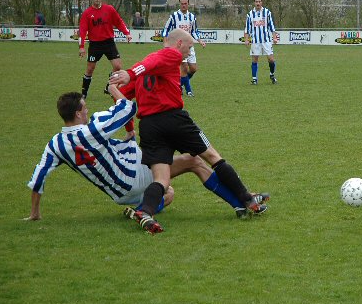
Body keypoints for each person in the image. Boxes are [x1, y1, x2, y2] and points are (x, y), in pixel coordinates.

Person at [109, 28, 267, 234]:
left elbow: (122, 99)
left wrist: (116, 91)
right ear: (179, 44)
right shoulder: (171, 54)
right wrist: (130, 74)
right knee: (213, 157)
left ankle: (146, 211)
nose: (189, 52)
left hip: (149, 126)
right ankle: (247, 199)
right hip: (174, 119)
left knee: (162, 180)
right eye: (189, 47)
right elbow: (146, 66)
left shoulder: (147, 66)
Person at [26, 88, 266, 223]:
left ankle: (140, 208)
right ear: (78, 114)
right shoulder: (92, 129)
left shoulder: (55, 144)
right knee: (194, 160)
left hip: (120, 194)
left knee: (169, 194)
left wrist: (35, 213)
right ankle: (241, 204)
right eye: (85, 107)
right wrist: (114, 90)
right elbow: (128, 108)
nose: (88, 109)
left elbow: (38, 179)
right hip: (135, 175)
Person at [78, 0, 132, 99]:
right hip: (95, 45)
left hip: (109, 43)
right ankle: (84, 93)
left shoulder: (109, 9)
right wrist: (81, 46)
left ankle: (109, 86)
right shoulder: (87, 13)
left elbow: (119, 22)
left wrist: (127, 33)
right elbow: (83, 31)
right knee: (90, 69)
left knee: (117, 66)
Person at [162, 0, 205, 97]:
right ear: (179, 4)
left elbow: (194, 31)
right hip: (179, 47)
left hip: (190, 46)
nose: (184, 5)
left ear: (188, 4)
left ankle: (179, 84)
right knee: (184, 68)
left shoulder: (192, 17)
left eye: (185, 3)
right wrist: (165, 44)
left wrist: (200, 41)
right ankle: (189, 91)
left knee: (193, 69)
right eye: (182, 4)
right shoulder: (174, 16)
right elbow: (165, 30)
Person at [244, 0, 278, 85]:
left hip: (266, 40)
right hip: (255, 41)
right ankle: (254, 79)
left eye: (259, 1)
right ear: (254, 3)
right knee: (255, 59)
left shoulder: (267, 12)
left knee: (271, 59)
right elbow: (247, 29)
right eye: (256, 2)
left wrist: (274, 37)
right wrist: (246, 40)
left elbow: (272, 26)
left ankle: (272, 75)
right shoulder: (250, 14)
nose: (258, 3)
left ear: (261, 2)